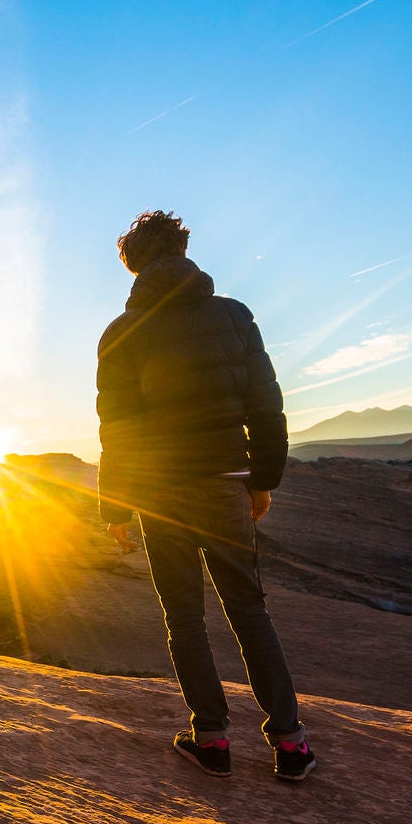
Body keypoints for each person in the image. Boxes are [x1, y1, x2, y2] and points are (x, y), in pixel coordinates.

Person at [95, 210, 313, 781]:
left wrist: (115, 506)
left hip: (162, 493)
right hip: (225, 483)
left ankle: (211, 740)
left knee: (184, 615)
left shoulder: (122, 333)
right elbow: (267, 405)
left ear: (133, 264)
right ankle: (290, 746)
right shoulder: (233, 316)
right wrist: (263, 479)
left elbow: (118, 429)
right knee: (249, 609)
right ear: (184, 250)